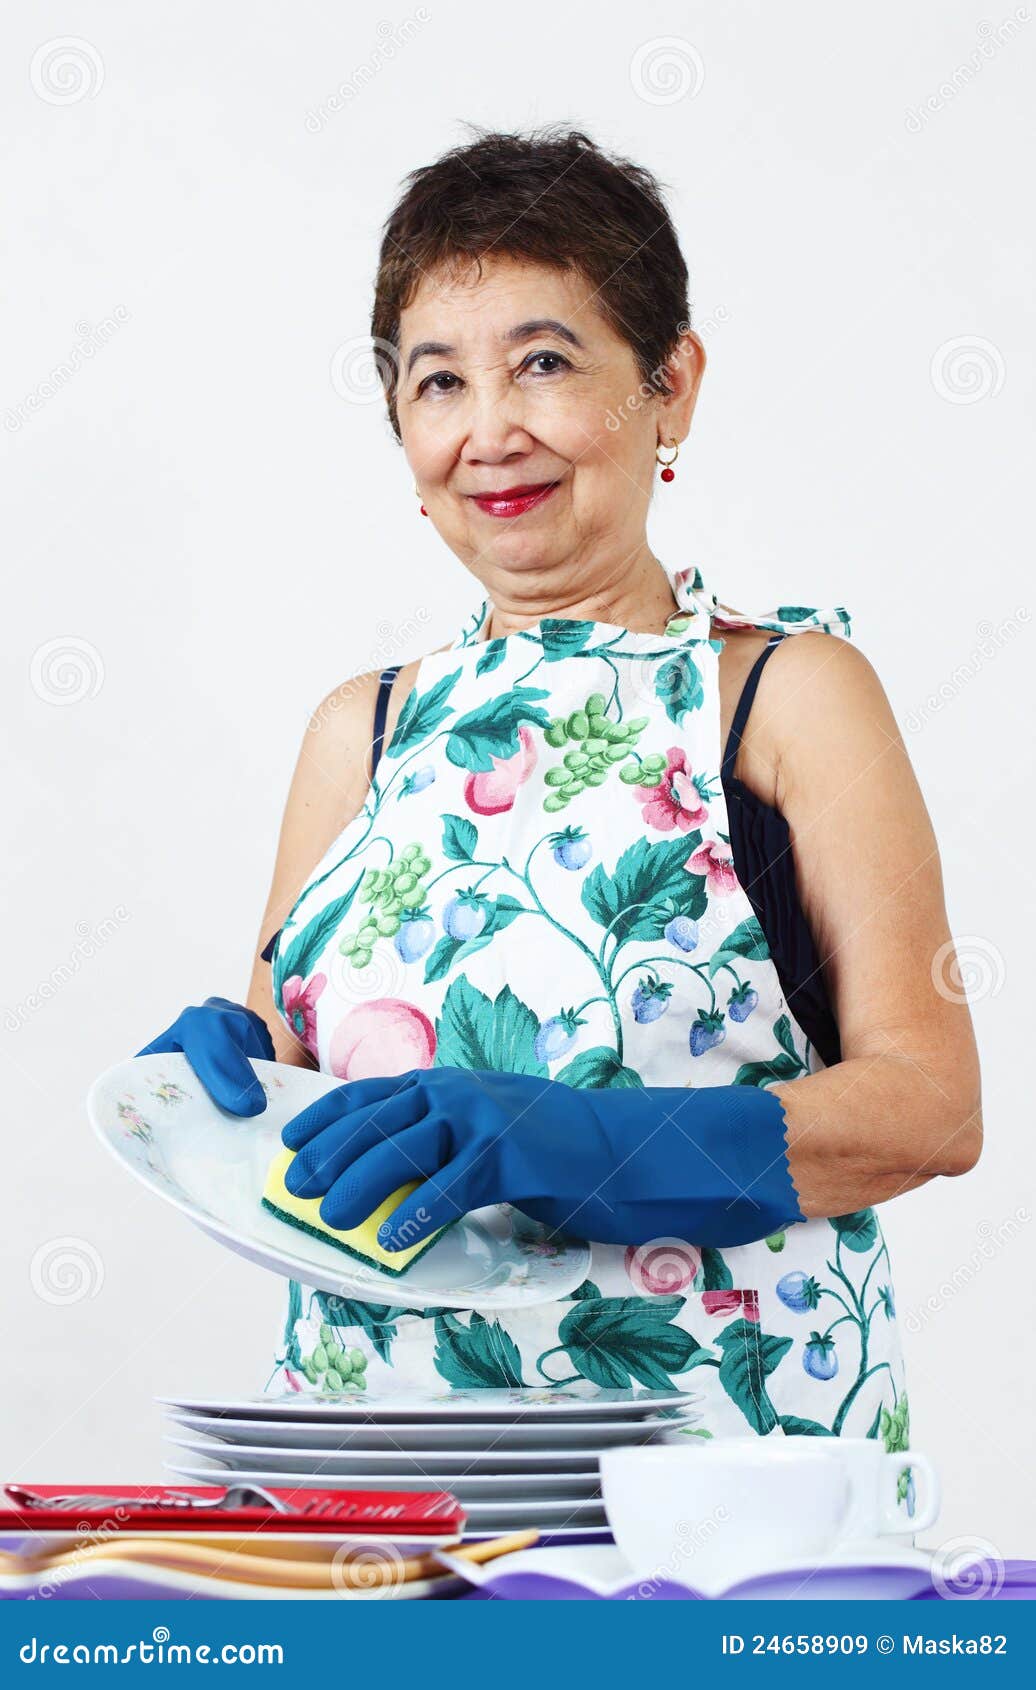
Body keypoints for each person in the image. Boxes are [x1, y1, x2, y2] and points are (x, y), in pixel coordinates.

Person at [140, 127, 981, 1452]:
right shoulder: (358, 732)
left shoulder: (784, 697)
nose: (491, 431)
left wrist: (566, 1141)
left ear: (672, 385)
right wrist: (222, 1095)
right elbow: (288, 1118)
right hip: (376, 1478)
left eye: (543, 361)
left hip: (716, 1478)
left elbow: (930, 1109)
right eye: (438, 383)